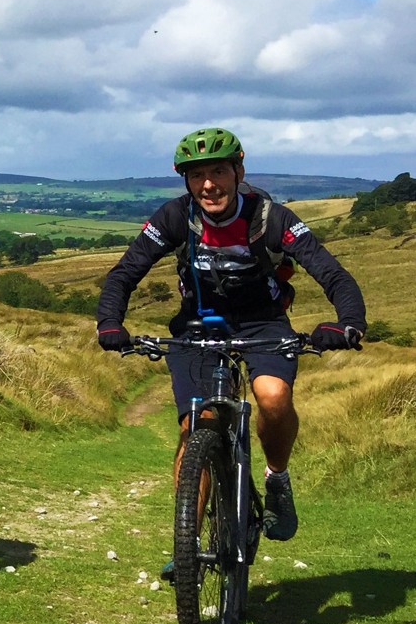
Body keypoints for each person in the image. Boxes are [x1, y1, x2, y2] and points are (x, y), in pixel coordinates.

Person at [96, 126, 366, 563]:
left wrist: (348, 322)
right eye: (197, 175)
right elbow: (124, 273)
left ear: (239, 170)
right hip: (198, 327)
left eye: (218, 171)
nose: (208, 185)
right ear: (184, 180)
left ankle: (276, 478)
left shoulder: (271, 218)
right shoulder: (174, 217)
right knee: (195, 426)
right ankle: (189, 547)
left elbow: (331, 273)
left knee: (272, 396)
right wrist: (109, 322)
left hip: (263, 324)